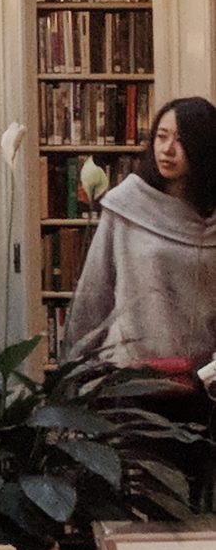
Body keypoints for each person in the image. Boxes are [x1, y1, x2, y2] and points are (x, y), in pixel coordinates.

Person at [65, 98, 216, 375]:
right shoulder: (126, 205)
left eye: (181, 141)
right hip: (131, 375)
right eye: (161, 136)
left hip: (201, 380)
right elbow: (93, 294)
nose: (167, 149)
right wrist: (76, 372)